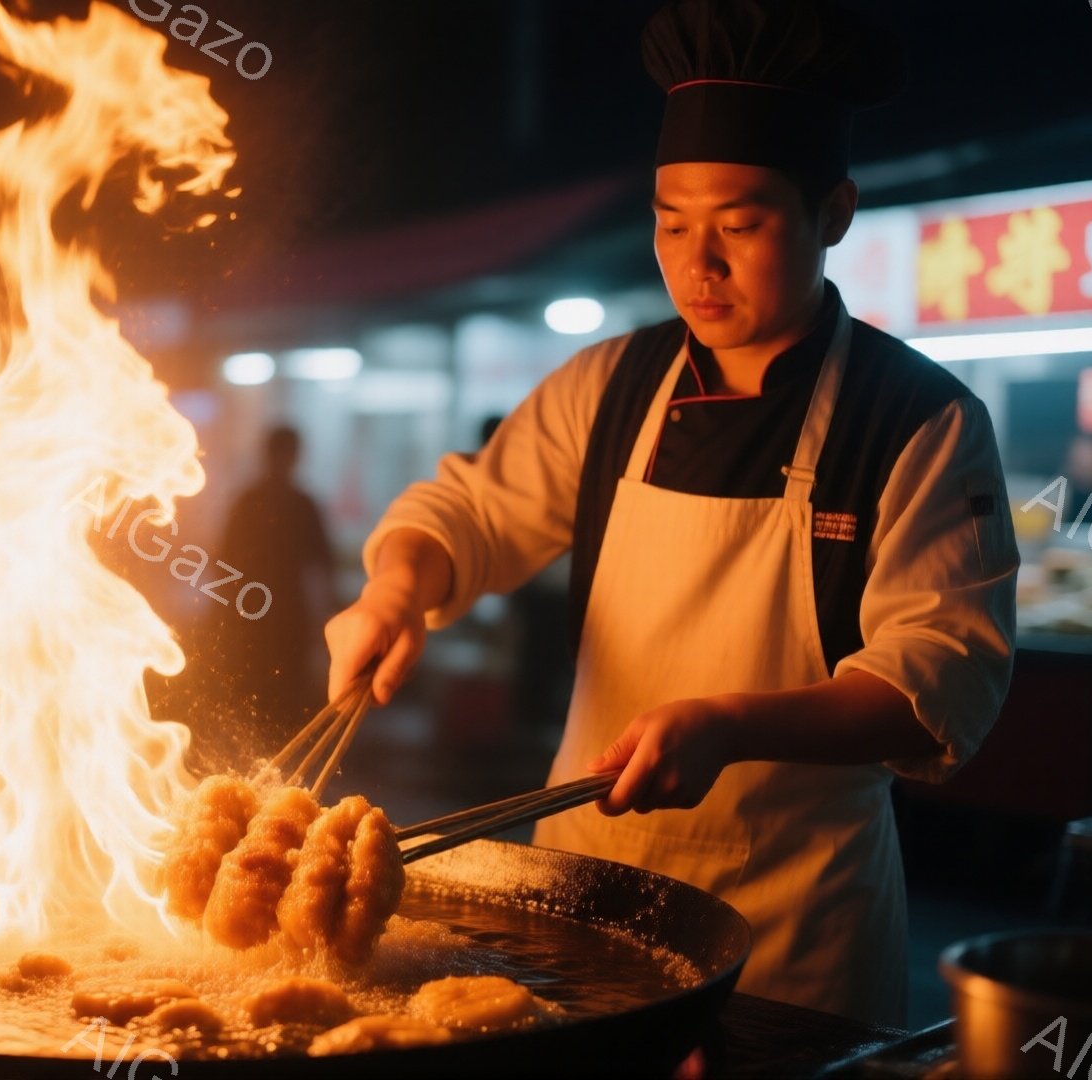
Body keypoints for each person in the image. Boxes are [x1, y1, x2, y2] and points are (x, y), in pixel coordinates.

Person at [325, 0, 1016, 1025]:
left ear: (832, 212)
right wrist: (396, 588)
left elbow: (939, 677)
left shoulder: (917, 418)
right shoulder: (612, 385)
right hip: (586, 907)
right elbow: (469, 510)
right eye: (670, 221)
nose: (699, 263)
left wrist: (729, 724)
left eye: (741, 224)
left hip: (796, 925)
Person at [216, 425, 336, 743]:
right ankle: (257, 756)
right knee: (257, 691)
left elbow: (324, 566)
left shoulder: (297, 504)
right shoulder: (257, 502)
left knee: (282, 694)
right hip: (259, 614)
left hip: (278, 614)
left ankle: (276, 761)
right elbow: (224, 562)